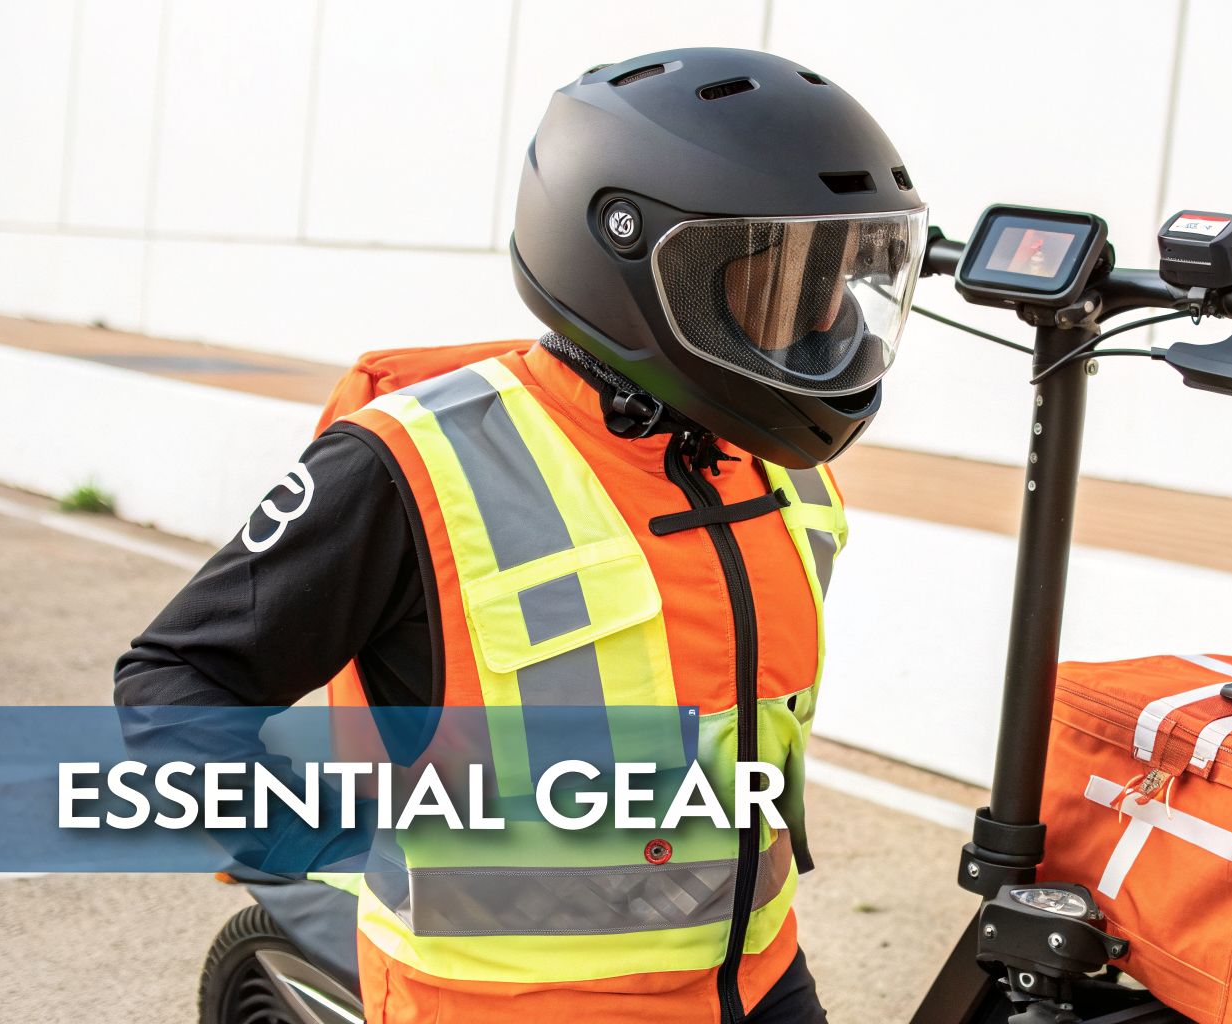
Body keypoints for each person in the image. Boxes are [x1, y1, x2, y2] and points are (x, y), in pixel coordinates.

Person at [113, 47, 928, 1024]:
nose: (823, 323)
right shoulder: (414, 465)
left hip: (755, 982)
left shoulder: (780, 465)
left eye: (835, 279)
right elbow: (174, 680)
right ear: (632, 268)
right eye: (782, 284)